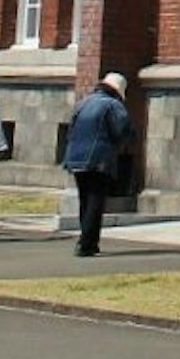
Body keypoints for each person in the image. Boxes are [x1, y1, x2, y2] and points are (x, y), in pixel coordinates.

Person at [61, 72, 133, 258]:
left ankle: (85, 238)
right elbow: (123, 130)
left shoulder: (83, 102)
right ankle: (87, 244)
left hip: (75, 157)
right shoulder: (113, 105)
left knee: (85, 200)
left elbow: (71, 130)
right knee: (95, 201)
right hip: (98, 159)